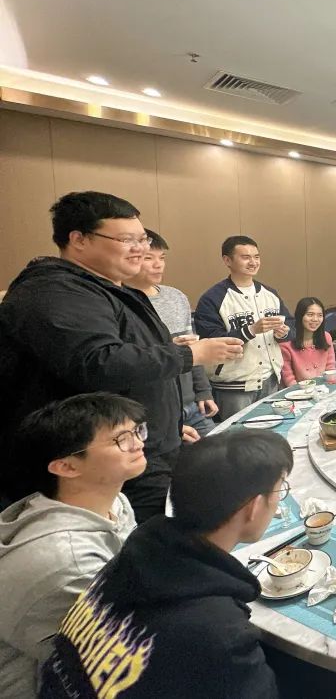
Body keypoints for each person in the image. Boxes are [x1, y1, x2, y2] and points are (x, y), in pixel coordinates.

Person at [0, 191, 242, 519]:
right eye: (127, 240)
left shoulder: (110, 289)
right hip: (98, 467)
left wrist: (166, 427)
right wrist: (189, 354)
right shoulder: (53, 291)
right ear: (78, 239)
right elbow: (101, 362)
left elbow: (133, 367)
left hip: (139, 449)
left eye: (143, 239)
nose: (140, 249)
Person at [39, 429, 290, 699]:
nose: (278, 500)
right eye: (279, 490)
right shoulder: (219, 633)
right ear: (253, 507)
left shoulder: (128, 560)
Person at [0, 394, 145, 698]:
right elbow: (116, 656)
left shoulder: (113, 501)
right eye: (121, 439)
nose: (137, 444)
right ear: (66, 467)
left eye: (137, 431)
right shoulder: (66, 562)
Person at [127, 229, 218, 437]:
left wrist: (203, 391)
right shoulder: (122, 302)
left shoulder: (176, 297)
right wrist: (171, 346)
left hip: (191, 403)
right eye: (149, 258)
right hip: (153, 410)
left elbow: (193, 350)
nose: (158, 264)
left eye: (162, 258)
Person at [194, 236, 294, 420]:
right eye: (246, 257)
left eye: (256, 257)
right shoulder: (212, 299)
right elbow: (212, 341)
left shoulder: (270, 293)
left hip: (271, 379)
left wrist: (283, 332)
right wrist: (251, 330)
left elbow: (291, 325)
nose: (253, 262)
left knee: (272, 431)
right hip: (234, 386)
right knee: (237, 434)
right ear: (227, 260)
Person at [279, 297, 336, 385]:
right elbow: (288, 378)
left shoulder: (326, 337)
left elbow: (330, 367)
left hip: (324, 388)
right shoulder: (286, 343)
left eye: (320, 315)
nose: (315, 319)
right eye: (310, 314)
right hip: (299, 390)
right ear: (300, 316)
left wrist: (329, 385)